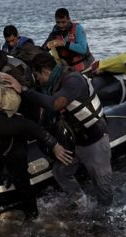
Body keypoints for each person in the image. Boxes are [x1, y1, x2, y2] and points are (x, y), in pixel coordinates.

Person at [17, 52, 113, 207]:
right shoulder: (51, 86)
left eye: (37, 75)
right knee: (60, 172)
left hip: (94, 138)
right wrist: (54, 145)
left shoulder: (72, 80)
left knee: (102, 183)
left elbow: (55, 104)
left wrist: (25, 92)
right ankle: (81, 202)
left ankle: (107, 214)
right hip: (73, 141)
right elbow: (45, 121)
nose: (38, 81)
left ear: (46, 71)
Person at [43, 8, 95, 72]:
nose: (60, 25)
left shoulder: (78, 29)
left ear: (69, 19)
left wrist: (63, 43)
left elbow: (83, 49)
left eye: (63, 22)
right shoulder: (54, 32)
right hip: (68, 69)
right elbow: (44, 49)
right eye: (58, 22)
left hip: (86, 67)